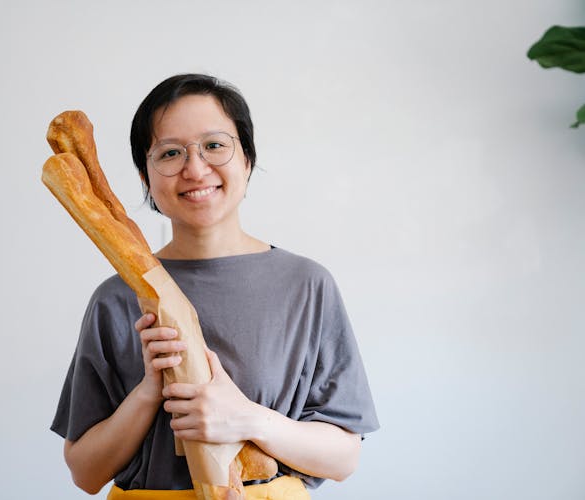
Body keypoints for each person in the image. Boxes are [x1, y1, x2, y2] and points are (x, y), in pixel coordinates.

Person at [51, 73, 379, 499]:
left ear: (246, 158)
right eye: (170, 153)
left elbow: (343, 458)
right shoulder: (116, 298)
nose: (195, 168)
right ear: (145, 176)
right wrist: (150, 390)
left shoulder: (306, 285)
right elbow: (85, 473)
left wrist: (246, 418)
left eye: (214, 145)